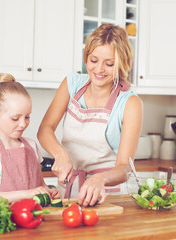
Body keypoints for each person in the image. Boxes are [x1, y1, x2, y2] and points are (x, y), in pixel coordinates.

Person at [37, 24, 143, 207]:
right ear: (86, 57)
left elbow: (125, 168)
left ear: (121, 64)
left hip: (107, 195)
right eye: (93, 60)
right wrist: (60, 155)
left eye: (109, 64)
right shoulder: (71, 84)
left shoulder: (130, 103)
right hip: (68, 189)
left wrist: (100, 178)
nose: (99, 69)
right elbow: (44, 130)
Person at [0, 73, 60, 203]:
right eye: (15, 118)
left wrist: (48, 191)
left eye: (27, 117)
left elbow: (40, 184)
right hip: (4, 220)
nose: (23, 124)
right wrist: (27, 194)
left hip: (33, 217)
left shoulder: (31, 146)